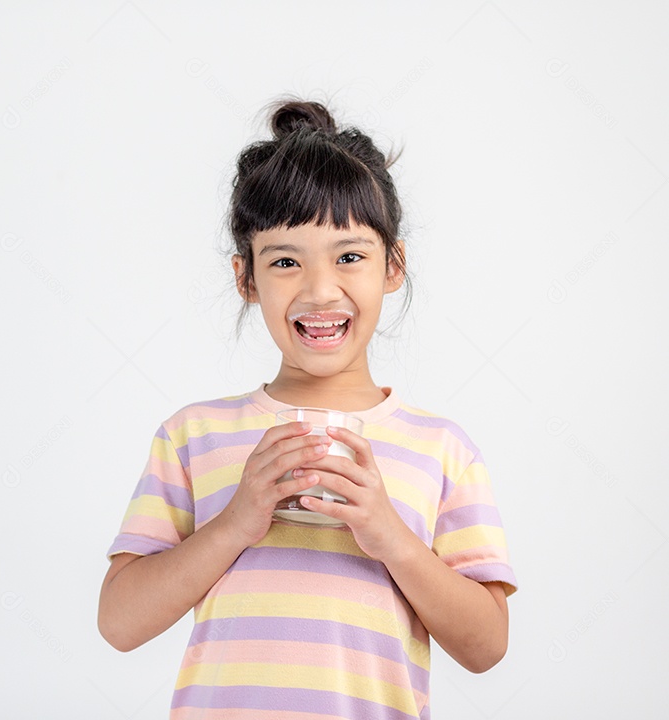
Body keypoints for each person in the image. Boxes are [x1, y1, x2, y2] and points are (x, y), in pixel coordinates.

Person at [96, 95, 518, 720]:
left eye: (350, 257)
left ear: (393, 265)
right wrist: (238, 521)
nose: (321, 291)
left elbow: (487, 646)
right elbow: (119, 623)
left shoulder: (442, 448)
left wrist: (390, 537)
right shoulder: (193, 435)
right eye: (286, 262)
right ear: (246, 279)